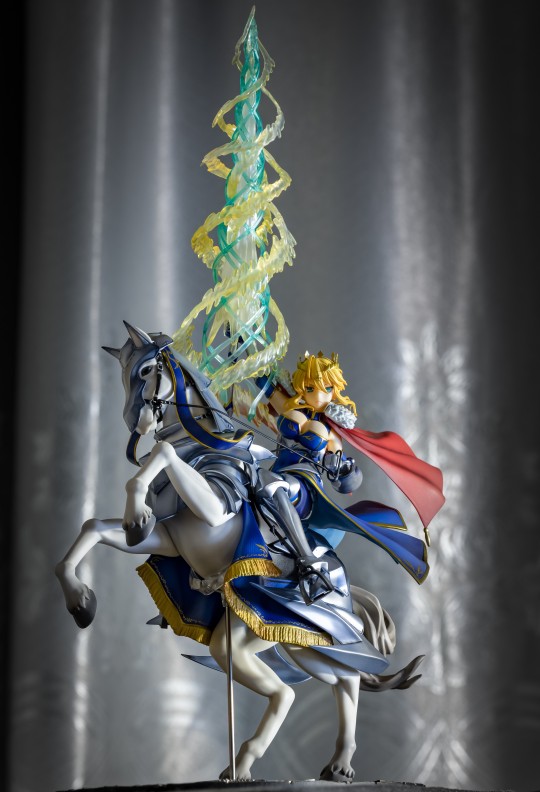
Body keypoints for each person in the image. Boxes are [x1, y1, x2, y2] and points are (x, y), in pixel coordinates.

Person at [255, 351, 445, 585]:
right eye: (311, 388)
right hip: (274, 471)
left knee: (279, 489)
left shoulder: (332, 431)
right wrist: (242, 355)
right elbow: (262, 381)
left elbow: (340, 471)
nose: (318, 395)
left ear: (334, 389)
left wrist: (339, 467)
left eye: (326, 388)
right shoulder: (289, 406)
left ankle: (308, 562)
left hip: (303, 482)